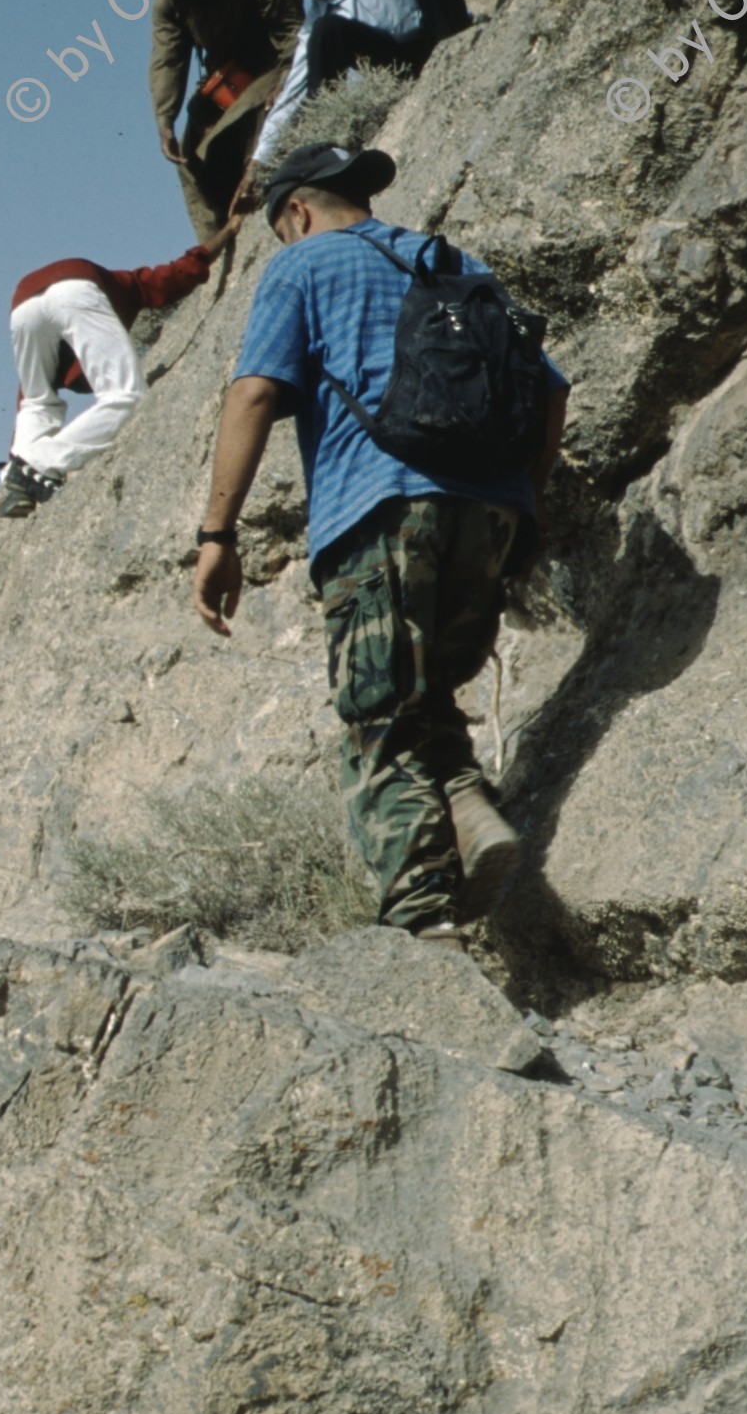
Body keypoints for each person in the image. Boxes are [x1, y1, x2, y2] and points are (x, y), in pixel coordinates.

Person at [191, 141, 568, 935]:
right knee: (424, 696)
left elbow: (254, 393)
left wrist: (217, 533)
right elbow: (549, 388)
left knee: (379, 720)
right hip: (490, 515)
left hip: (381, 512)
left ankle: (420, 920)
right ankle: (468, 806)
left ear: (296, 212)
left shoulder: (302, 264)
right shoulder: (455, 263)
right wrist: (524, 504)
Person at [237, 0, 517, 198]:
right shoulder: (317, 16)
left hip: (437, 34)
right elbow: (294, 89)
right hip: (395, 65)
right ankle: (325, 150)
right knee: (327, 31)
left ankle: (461, 54)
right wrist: (257, 164)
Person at [0, 224, 233, 518]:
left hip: (23, 305)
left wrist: (14, 459)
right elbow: (179, 273)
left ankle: (19, 473)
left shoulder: (116, 287)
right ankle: (38, 465)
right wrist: (229, 229)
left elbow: (27, 400)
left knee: (36, 399)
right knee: (126, 397)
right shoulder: (126, 284)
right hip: (75, 286)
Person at [144, 0, 304, 245]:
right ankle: (215, 244)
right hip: (226, 78)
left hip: (274, 65)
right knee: (188, 156)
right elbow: (167, 60)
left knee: (237, 132)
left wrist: (287, 78)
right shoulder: (170, 4)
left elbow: (292, 31)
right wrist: (165, 122)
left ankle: (254, 206)